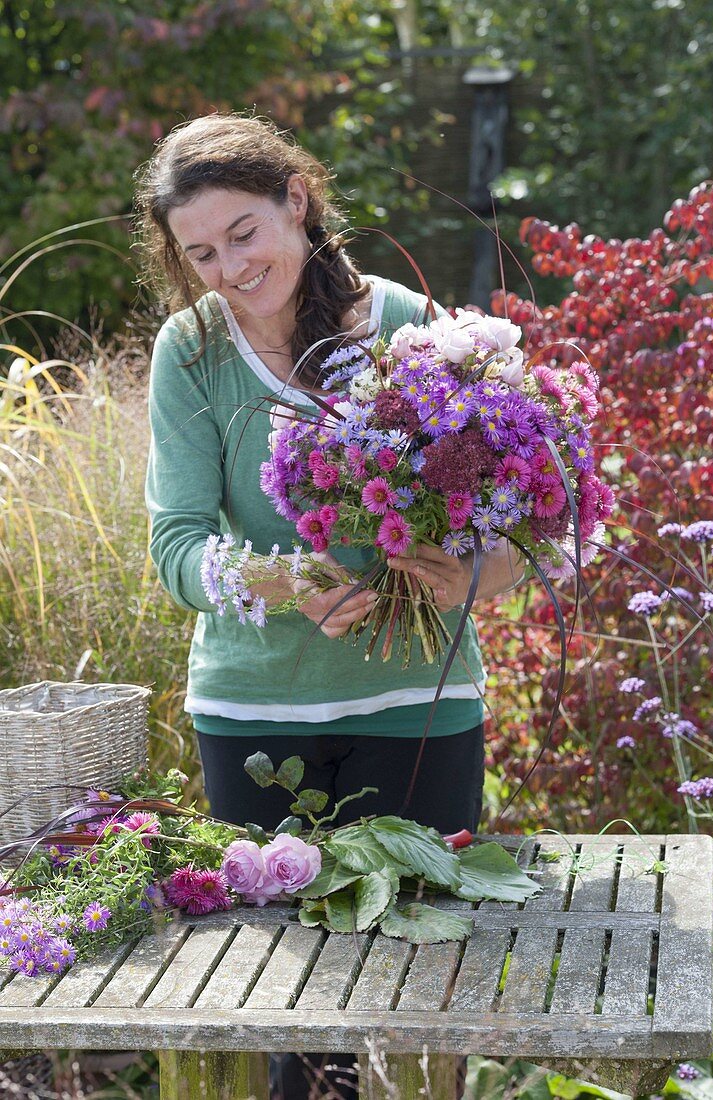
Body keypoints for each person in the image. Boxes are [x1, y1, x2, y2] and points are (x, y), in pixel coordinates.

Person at [136, 112, 523, 1099]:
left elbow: (513, 534)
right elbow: (176, 546)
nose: (227, 266)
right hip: (252, 717)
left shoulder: (411, 329)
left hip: (417, 713)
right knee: (287, 1023)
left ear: (296, 201)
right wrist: (284, 583)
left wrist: (474, 575)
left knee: (417, 999)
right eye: (201, 251)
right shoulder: (193, 354)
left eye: (243, 233)